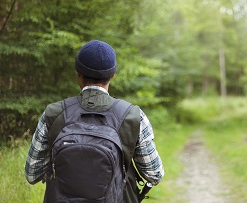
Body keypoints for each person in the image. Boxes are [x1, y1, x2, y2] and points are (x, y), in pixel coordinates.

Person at [25, 40, 164, 202]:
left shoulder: (54, 114)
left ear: (78, 74)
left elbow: (32, 174)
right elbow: (154, 175)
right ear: (112, 75)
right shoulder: (133, 116)